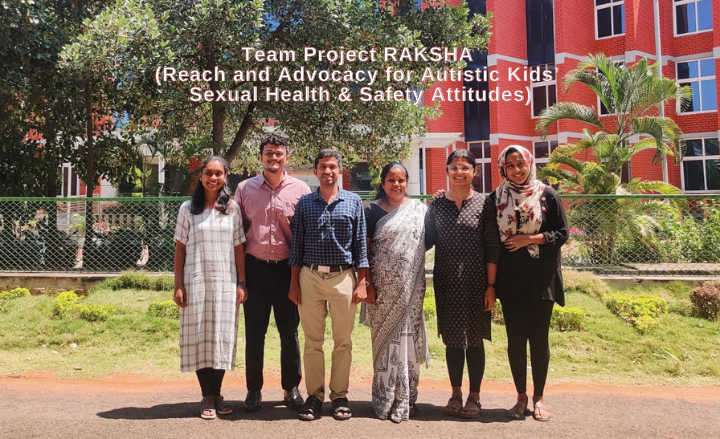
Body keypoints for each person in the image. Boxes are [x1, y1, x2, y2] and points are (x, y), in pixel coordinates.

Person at [487, 144, 568, 422]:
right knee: (516, 341)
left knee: (539, 339)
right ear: (502, 168)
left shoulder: (547, 194)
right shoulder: (495, 198)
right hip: (511, 281)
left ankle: (539, 397)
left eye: (521, 163)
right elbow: (489, 239)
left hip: (541, 278)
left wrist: (528, 239)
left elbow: (562, 233)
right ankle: (521, 398)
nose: (517, 169)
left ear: (530, 164)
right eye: (510, 165)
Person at [288, 149, 369, 421]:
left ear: (340, 171)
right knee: (313, 341)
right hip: (309, 277)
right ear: (315, 171)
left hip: (343, 278)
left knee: (342, 341)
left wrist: (362, 282)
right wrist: (293, 284)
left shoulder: (354, 202)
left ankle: (339, 395)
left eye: (333, 166)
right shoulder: (305, 203)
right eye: (323, 166)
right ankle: (314, 396)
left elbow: (361, 246)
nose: (328, 171)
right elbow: (296, 246)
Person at [234, 132, 310, 412]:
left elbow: (303, 235)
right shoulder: (244, 189)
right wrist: (240, 279)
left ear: (286, 157)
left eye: (279, 153)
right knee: (255, 333)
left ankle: (291, 388)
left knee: (289, 332)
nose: (274, 158)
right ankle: (253, 390)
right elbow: (238, 235)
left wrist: (299, 277)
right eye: (269, 153)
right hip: (254, 270)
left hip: (287, 272)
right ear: (260, 157)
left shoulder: (301, 190)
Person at [425, 149, 500, 419]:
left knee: (475, 340)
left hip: (478, 282)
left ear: (474, 172)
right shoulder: (437, 205)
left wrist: (491, 287)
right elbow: (426, 240)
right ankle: (455, 393)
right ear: (447, 171)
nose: (459, 172)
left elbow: (492, 246)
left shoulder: (485, 204)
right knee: (453, 340)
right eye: (454, 167)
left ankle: (475, 396)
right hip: (446, 281)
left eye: (465, 167)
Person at [173, 155, 247, 420]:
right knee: (199, 337)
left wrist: (241, 283)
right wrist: (178, 284)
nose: (213, 178)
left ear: (225, 176)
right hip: (195, 282)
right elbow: (180, 248)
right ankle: (207, 395)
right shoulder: (187, 209)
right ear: (200, 176)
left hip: (225, 283)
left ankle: (217, 393)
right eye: (208, 173)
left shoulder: (233, 209)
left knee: (220, 337)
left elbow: (239, 247)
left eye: (218, 173)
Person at [362, 162, 429, 423]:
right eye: (391, 180)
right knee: (384, 343)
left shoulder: (419, 210)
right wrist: (366, 283)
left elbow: (426, 242)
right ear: (382, 182)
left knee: (408, 340)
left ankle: (407, 397)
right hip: (380, 290)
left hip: (412, 289)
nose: (396, 185)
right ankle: (384, 396)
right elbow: (363, 251)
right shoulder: (370, 211)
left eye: (401, 180)